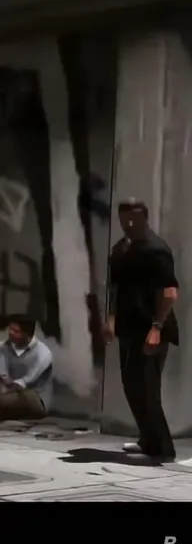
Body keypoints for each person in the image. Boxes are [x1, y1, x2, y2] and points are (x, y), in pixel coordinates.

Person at [106, 198, 179, 463]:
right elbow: (115, 289)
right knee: (131, 386)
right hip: (129, 327)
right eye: (124, 218)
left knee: (148, 389)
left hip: (152, 327)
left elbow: (169, 293)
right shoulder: (120, 250)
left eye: (134, 218)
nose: (129, 223)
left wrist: (157, 326)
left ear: (145, 218)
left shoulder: (156, 249)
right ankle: (148, 440)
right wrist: (111, 319)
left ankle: (164, 448)